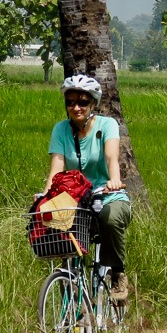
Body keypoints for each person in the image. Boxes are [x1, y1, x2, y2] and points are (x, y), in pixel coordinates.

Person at [44, 74, 132, 302]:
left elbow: (112, 158)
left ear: (93, 103)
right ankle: (71, 307)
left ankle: (118, 273)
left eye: (82, 102)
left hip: (108, 195)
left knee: (110, 218)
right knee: (57, 228)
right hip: (75, 198)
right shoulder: (61, 130)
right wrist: (46, 196)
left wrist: (114, 180)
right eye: (70, 102)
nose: (76, 107)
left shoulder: (107, 125)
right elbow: (57, 166)